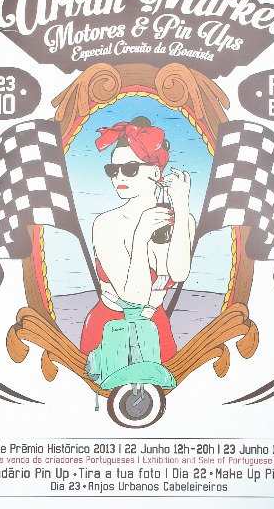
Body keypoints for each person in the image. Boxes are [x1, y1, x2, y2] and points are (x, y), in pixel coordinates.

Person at [80, 117, 194, 361]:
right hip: (110, 331)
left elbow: (179, 272)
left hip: (155, 328)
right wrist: (140, 236)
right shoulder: (106, 223)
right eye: (113, 170)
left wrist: (182, 208)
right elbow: (134, 296)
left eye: (130, 169)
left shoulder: (182, 219)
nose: (118, 178)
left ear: (155, 172)